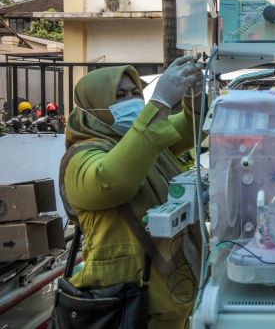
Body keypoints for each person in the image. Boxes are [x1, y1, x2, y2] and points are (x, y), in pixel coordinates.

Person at [60, 55, 205, 328]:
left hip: (172, 293)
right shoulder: (81, 158)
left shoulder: (143, 141)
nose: (131, 101)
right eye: (119, 95)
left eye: (135, 93)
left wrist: (194, 95)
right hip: (126, 301)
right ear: (94, 105)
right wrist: (160, 102)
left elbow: (190, 127)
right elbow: (113, 181)